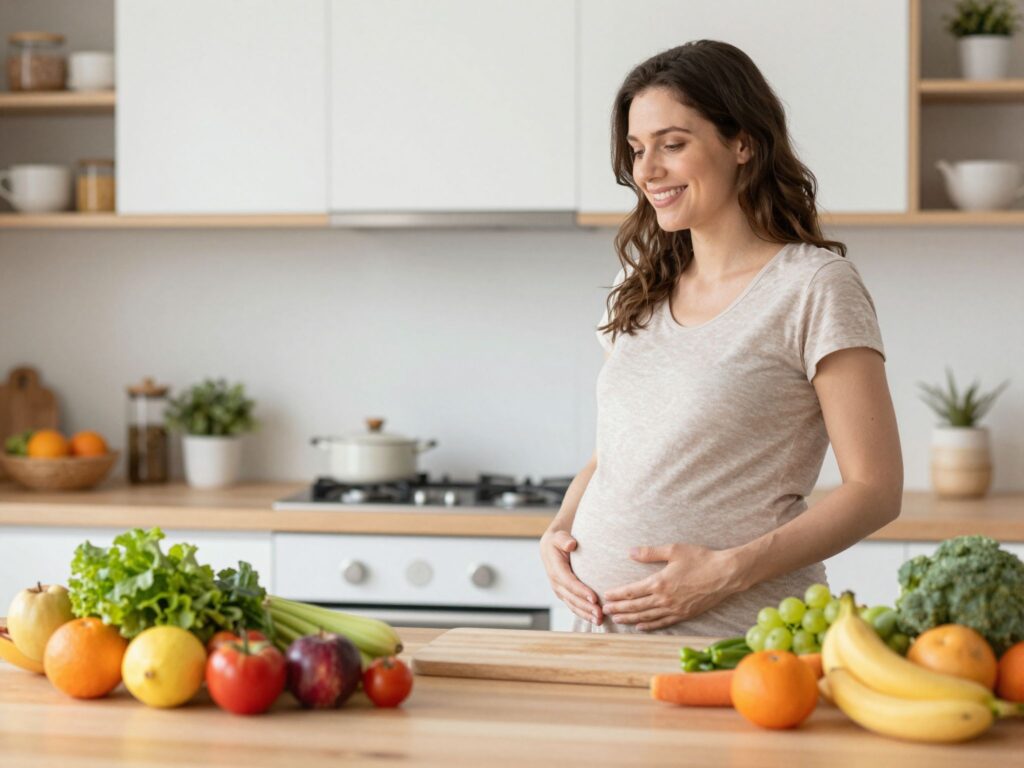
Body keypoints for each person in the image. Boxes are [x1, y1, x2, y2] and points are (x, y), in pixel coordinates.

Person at [540, 40, 903, 636]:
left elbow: (876, 490)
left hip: (737, 644)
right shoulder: (638, 285)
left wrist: (726, 572)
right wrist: (560, 529)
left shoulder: (813, 286)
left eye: (672, 144)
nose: (647, 171)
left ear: (743, 144)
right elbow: (616, 455)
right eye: (637, 149)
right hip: (599, 639)